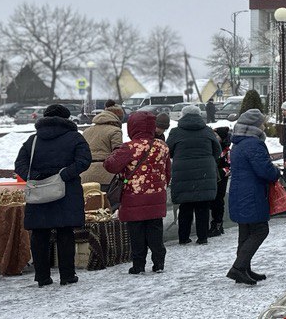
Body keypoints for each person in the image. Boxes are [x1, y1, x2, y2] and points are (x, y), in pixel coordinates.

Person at [13, 104, 91, 287]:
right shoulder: (75, 138)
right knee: (65, 233)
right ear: (66, 119)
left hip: (39, 192)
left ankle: (42, 277)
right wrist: (64, 175)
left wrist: (33, 177)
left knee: (39, 235)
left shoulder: (32, 141)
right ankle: (67, 276)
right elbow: (84, 161)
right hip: (66, 192)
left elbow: (19, 164)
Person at [104, 111, 171, 273]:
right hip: (156, 196)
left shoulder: (129, 147)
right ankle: (159, 263)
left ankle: (139, 265)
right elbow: (168, 172)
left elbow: (110, 165)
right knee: (155, 231)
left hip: (133, 198)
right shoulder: (162, 146)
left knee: (136, 233)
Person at [227, 108, 281, 285]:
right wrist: (276, 171)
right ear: (255, 125)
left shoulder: (239, 143)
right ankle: (238, 267)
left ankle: (244, 269)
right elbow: (264, 170)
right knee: (260, 230)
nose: (264, 126)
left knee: (246, 231)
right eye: (262, 122)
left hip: (239, 192)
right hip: (252, 193)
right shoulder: (253, 144)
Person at [167, 103, 223, 245]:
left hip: (182, 171)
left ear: (183, 115)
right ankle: (202, 237)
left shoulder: (175, 132)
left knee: (185, 206)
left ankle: (183, 237)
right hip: (205, 170)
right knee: (203, 205)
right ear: (199, 115)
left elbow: (168, 151)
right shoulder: (207, 131)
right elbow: (217, 150)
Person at [80, 103, 124, 202]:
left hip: (86, 174)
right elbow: (118, 154)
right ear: (117, 118)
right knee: (107, 205)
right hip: (106, 175)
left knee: (90, 205)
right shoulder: (115, 131)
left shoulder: (87, 131)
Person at [210, 125, 231, 236]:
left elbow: (228, 166)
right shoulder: (212, 146)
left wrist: (220, 172)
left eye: (216, 135)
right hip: (212, 177)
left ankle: (218, 224)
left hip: (221, 178)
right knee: (213, 201)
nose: (214, 136)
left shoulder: (226, 150)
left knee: (218, 201)